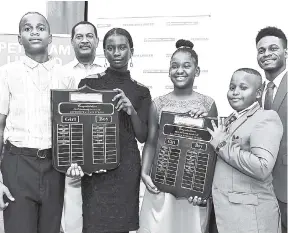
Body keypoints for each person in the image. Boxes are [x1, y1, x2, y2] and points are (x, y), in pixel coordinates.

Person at [67, 27, 152, 233]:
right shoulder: (88, 83)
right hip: (96, 168)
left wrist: (130, 109)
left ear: (131, 51)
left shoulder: (141, 90)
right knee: (93, 225)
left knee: (121, 227)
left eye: (122, 47)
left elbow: (143, 136)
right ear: (103, 51)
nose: (116, 52)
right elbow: (77, 128)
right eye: (111, 48)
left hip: (127, 168)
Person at [0, 12, 74, 233]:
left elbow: (71, 127)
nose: (34, 32)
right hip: (17, 164)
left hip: (55, 166)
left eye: (40, 28)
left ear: (50, 37)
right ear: (19, 38)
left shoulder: (66, 76)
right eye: (27, 28)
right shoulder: (6, 74)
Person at [138, 39, 218, 233]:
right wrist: (144, 172)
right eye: (174, 66)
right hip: (161, 182)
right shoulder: (158, 103)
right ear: (169, 71)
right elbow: (150, 142)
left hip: (192, 187)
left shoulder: (208, 104)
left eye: (186, 66)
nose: (179, 70)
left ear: (197, 71)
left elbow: (213, 149)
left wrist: (204, 188)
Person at [209, 68, 283, 233]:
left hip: (250, 219)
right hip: (224, 215)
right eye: (232, 87)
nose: (235, 92)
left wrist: (222, 145)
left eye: (243, 88)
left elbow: (262, 167)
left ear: (258, 93)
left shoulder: (266, 118)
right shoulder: (232, 119)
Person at [61, 21, 105, 233]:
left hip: (103, 157)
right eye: (79, 36)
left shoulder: (108, 74)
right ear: (72, 42)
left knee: (100, 218)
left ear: (97, 41)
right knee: (72, 219)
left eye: (90, 36)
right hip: (71, 156)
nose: (85, 40)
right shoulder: (60, 74)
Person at [256, 26, 287, 233]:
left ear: (286, 51)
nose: (266, 54)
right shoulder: (256, 91)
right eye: (261, 50)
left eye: (273, 48)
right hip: (262, 188)